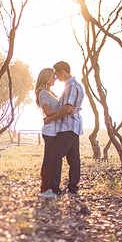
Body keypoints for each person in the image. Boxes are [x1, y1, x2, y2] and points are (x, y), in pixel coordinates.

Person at [38, 61, 84, 198]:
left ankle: (54, 190)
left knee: (55, 156)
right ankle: (73, 188)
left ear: (63, 72)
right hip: (73, 127)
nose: (56, 78)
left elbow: (66, 109)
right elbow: (68, 108)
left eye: (57, 75)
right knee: (73, 159)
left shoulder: (71, 86)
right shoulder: (75, 85)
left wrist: (50, 119)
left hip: (68, 127)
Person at [34, 68, 60, 193]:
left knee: (52, 158)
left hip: (55, 129)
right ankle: (45, 187)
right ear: (47, 77)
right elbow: (48, 112)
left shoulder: (49, 92)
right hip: (50, 131)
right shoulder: (43, 92)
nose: (55, 78)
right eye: (53, 76)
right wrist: (66, 110)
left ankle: (50, 186)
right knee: (49, 158)